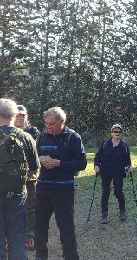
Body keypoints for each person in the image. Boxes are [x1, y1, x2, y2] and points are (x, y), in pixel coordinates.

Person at [35, 107, 87, 260]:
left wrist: (58, 163)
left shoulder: (72, 138)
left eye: (51, 124)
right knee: (39, 225)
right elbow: (36, 156)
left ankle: (71, 256)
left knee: (65, 226)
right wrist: (41, 160)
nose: (48, 127)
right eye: (46, 123)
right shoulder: (43, 136)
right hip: (43, 187)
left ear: (62, 122)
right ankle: (40, 256)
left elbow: (82, 163)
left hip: (63, 190)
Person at [0, 98, 39, 260]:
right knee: (17, 241)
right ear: (14, 115)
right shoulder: (26, 137)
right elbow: (35, 167)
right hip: (17, 195)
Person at [94, 124, 133, 224]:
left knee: (118, 192)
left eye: (119, 132)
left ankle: (122, 211)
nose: (117, 134)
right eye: (115, 132)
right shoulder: (105, 143)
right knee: (105, 192)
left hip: (118, 172)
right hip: (106, 171)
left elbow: (127, 159)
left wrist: (129, 167)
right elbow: (98, 156)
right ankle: (104, 214)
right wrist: (96, 165)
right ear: (111, 133)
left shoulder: (124, 145)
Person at [15, 104, 40, 251]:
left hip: (30, 177)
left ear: (27, 116)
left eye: (23, 115)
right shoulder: (5, 131)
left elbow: (37, 154)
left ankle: (28, 236)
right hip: (9, 178)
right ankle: (9, 236)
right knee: (11, 207)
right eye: (18, 115)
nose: (20, 117)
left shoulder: (33, 132)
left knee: (30, 206)